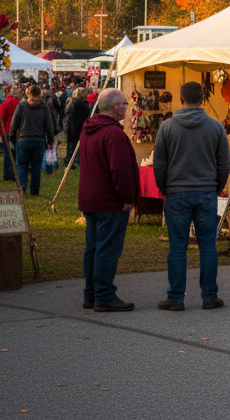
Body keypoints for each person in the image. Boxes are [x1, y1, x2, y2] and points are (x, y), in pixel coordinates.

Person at [153, 80, 229, 311]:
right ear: (203, 99)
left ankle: (176, 297)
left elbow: (159, 164)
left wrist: (165, 188)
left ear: (181, 99)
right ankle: (209, 296)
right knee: (208, 245)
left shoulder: (167, 127)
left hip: (177, 192)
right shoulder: (216, 127)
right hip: (206, 191)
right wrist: (216, 187)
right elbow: (224, 163)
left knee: (178, 247)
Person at [78, 88, 138, 312]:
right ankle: (103, 295)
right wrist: (127, 197)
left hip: (91, 198)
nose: (126, 107)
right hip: (109, 201)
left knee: (93, 248)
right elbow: (120, 170)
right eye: (124, 103)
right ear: (116, 107)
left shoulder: (89, 129)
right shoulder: (114, 134)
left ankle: (92, 294)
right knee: (107, 250)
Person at [9, 85, 58, 196]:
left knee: (22, 165)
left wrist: (12, 137)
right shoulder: (43, 106)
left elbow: (14, 123)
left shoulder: (22, 105)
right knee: (36, 166)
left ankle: (22, 188)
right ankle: (34, 190)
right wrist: (50, 140)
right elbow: (49, 125)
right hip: (39, 140)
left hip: (23, 139)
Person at [0, 86, 22, 182]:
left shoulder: (4, 104)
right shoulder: (20, 104)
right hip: (18, 131)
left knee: (7, 154)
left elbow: (1, 119)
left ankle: (8, 174)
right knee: (17, 153)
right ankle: (16, 174)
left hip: (7, 131)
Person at [64, 87, 92, 170]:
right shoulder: (82, 105)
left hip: (72, 128)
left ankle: (72, 161)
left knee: (72, 146)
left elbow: (67, 117)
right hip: (78, 128)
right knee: (76, 146)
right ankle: (74, 162)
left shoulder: (72, 103)